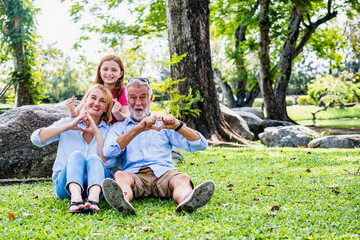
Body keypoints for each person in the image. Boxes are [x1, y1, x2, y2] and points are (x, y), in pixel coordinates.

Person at [102, 77, 215, 215]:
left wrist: (178, 126)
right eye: (133, 98)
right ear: (127, 100)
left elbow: (201, 144)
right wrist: (138, 129)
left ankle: (187, 201)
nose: (138, 103)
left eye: (143, 97)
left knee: (182, 178)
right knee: (120, 175)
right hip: (134, 175)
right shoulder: (119, 127)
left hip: (164, 173)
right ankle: (122, 201)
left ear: (151, 98)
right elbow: (109, 151)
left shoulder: (165, 123)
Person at [31, 84, 116, 214]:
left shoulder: (109, 130)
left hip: (97, 186)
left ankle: (93, 200)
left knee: (94, 158)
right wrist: (69, 125)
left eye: (102, 101)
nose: (96, 103)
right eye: (93, 98)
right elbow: (37, 139)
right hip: (64, 187)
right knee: (76, 155)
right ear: (86, 101)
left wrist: (97, 133)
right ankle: (76, 200)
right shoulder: (68, 122)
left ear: (106, 108)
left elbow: (108, 163)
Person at [65, 54, 129, 123]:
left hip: (115, 130)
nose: (109, 73)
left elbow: (127, 116)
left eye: (114, 70)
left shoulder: (124, 91)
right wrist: (71, 109)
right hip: (96, 127)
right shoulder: (93, 90)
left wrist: (116, 112)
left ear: (120, 74)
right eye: (105, 69)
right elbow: (76, 114)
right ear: (100, 71)